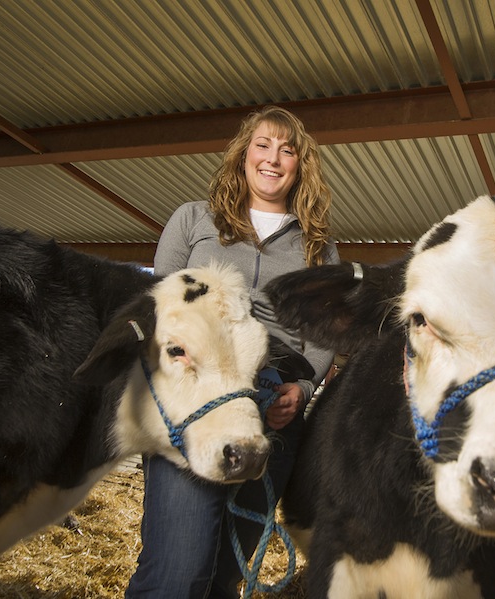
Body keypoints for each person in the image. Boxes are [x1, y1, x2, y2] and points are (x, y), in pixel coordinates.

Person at [126, 106, 338, 599]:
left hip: (274, 407)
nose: (273, 158)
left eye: (288, 150)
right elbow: (160, 306)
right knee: (178, 572)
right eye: (263, 145)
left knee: (228, 574)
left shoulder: (317, 245)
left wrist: (302, 390)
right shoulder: (193, 219)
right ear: (243, 154)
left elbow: (324, 333)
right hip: (198, 399)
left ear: (300, 166)